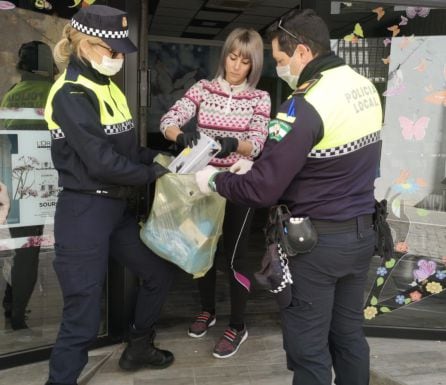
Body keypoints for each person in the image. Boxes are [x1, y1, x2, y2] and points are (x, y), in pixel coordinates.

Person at [195, 9, 382, 385]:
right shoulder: (362, 86)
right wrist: (261, 164)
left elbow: (263, 190)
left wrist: (215, 180)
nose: (279, 67)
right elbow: (322, 159)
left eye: (280, 59)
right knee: (348, 338)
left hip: (317, 247)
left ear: (302, 53)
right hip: (361, 236)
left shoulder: (305, 103)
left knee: (308, 350)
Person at [43, 5, 176, 385]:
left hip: (115, 209)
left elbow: (129, 152)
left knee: (157, 274)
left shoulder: (108, 87)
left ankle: (138, 346)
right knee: (82, 318)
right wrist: (154, 173)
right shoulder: (69, 93)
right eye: (113, 51)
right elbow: (102, 162)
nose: (119, 58)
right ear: (86, 46)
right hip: (84, 211)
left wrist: (169, 157)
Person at [160, 28, 271, 358]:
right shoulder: (203, 89)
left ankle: (238, 324)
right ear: (224, 55)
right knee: (201, 248)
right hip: (202, 181)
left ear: (254, 65)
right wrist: (179, 136)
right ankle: (207, 309)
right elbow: (171, 117)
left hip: (238, 182)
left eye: (245, 61)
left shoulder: (259, 98)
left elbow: (259, 142)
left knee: (235, 255)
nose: (236, 66)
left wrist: (234, 144)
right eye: (232, 57)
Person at [1, 40, 57, 330]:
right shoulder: (53, 94)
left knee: (23, 248)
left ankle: (12, 305)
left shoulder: (12, 95)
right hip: (46, 183)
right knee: (30, 252)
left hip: (15, 184)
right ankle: (18, 316)